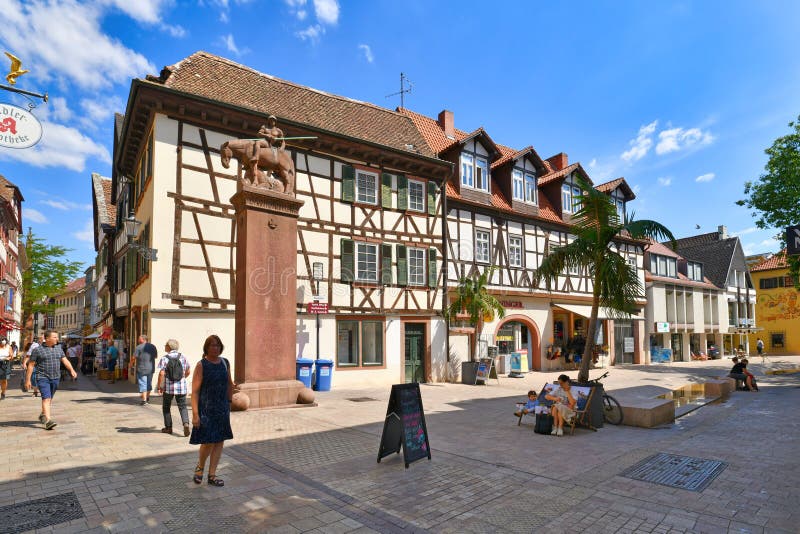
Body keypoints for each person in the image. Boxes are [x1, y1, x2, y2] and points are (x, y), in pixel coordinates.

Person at [190, 335, 234, 486]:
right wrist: (195, 414)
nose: (215, 348)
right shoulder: (201, 365)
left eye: (217, 345)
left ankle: (212, 475)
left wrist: (229, 402)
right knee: (208, 441)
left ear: (221, 347)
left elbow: (229, 383)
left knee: (219, 441)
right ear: (206, 348)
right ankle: (200, 467)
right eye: (212, 345)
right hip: (206, 408)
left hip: (222, 408)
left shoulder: (225, 363)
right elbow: (195, 392)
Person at [25, 330, 77, 430]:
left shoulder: (59, 348)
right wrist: (28, 380)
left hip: (56, 377)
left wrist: (72, 370)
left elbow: (65, 360)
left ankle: (43, 414)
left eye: (57, 337)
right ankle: (48, 421)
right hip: (42, 377)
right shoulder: (37, 350)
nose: (57, 339)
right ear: (47, 338)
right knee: (46, 398)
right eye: (55, 337)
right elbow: (31, 365)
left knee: (49, 398)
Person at [156, 339, 191, 436]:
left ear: (169, 347)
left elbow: (162, 373)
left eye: (165, 345)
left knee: (166, 407)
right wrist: (182, 379)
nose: (164, 346)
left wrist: (160, 386)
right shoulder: (183, 357)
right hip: (181, 387)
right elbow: (188, 371)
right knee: (183, 406)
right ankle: (186, 423)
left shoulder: (164, 358)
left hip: (168, 388)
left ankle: (168, 428)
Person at [131, 335, 158, 405]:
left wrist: (131, 364)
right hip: (151, 368)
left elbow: (134, 357)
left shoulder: (138, 347)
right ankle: (147, 397)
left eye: (139, 339)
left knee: (143, 383)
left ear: (143, 339)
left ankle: (144, 400)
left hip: (141, 368)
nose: (138, 340)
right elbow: (156, 356)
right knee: (148, 383)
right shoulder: (153, 346)